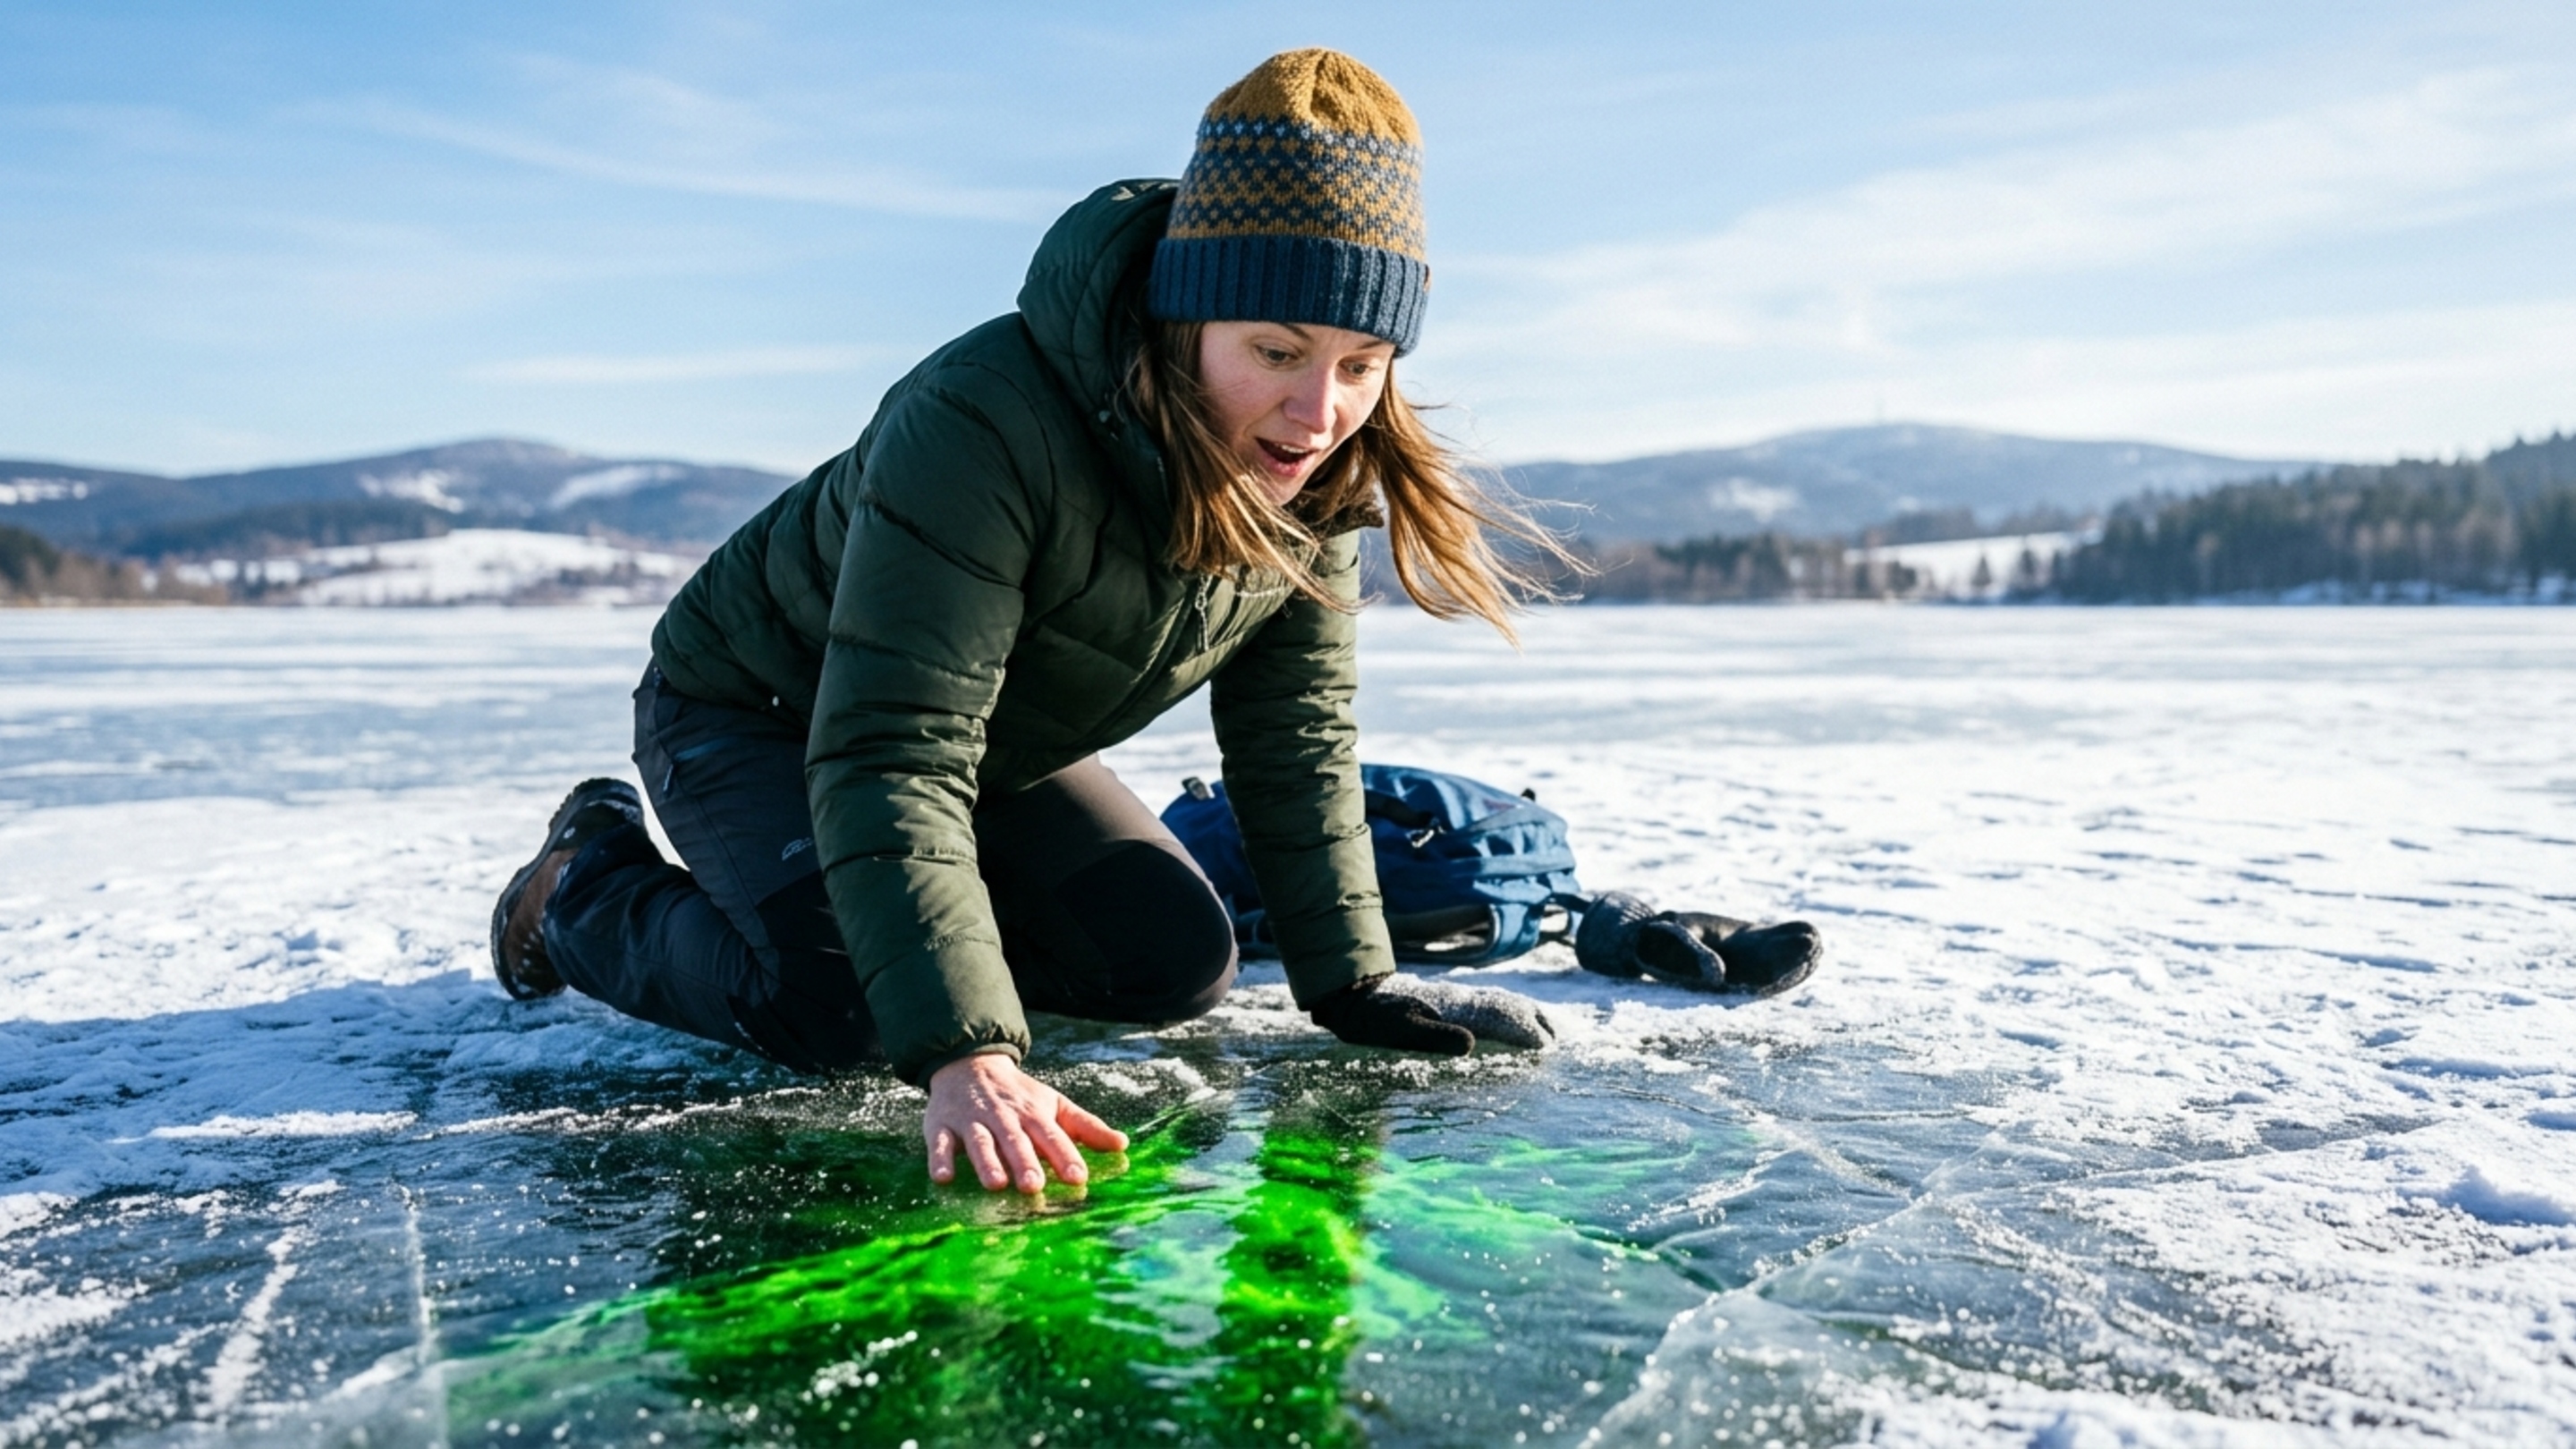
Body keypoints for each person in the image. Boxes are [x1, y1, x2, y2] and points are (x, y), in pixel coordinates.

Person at [489, 48, 1564, 1196]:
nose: (1319, 411)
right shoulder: (984, 422)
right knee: (851, 1007)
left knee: (1174, 964)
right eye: (1276, 352)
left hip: (990, 742)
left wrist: (1355, 984)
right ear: (1181, 317)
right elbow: (892, 745)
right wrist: (965, 1050)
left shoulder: (1309, 470)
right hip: (760, 708)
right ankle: (583, 889)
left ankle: (875, 912)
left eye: (1362, 364)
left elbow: (1294, 741)